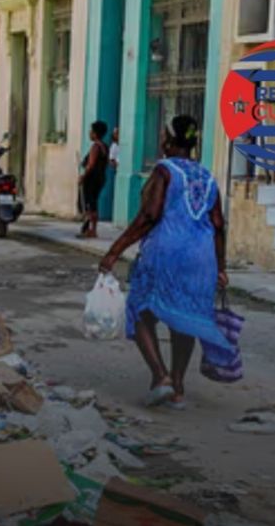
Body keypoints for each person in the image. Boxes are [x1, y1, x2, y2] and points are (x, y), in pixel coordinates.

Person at [99, 115, 228, 409]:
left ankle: (161, 377)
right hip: (201, 258)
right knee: (184, 318)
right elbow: (218, 224)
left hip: (167, 253)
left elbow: (149, 216)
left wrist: (115, 250)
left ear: (168, 141)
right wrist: (221, 267)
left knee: (141, 310)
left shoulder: (164, 170)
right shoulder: (207, 176)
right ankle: (178, 384)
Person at [77, 121, 110, 238]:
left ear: (95, 133)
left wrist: (83, 176)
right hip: (101, 177)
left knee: (89, 203)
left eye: (91, 131)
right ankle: (93, 229)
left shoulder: (95, 147)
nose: (89, 133)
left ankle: (88, 228)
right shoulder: (105, 147)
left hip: (92, 178)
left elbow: (91, 164)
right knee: (94, 203)